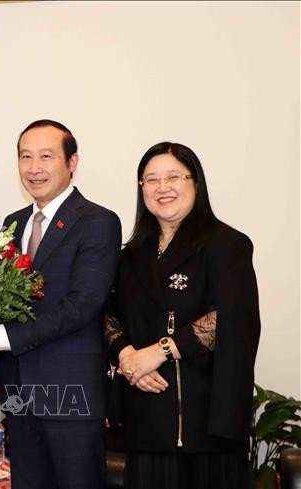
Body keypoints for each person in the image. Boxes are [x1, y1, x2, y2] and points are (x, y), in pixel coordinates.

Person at [0, 119, 121, 488]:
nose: (34, 168)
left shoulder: (97, 222)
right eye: (25, 157)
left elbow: (82, 306)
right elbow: (0, 305)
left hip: (70, 395)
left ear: (72, 162)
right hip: (18, 394)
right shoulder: (14, 223)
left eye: (46, 156)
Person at [104, 142, 260, 489]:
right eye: (151, 179)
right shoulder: (130, 255)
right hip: (146, 418)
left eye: (173, 177)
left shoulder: (227, 245)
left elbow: (232, 317)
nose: (163, 188)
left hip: (206, 421)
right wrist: (129, 358)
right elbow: (108, 314)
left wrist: (157, 352)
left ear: (196, 183)